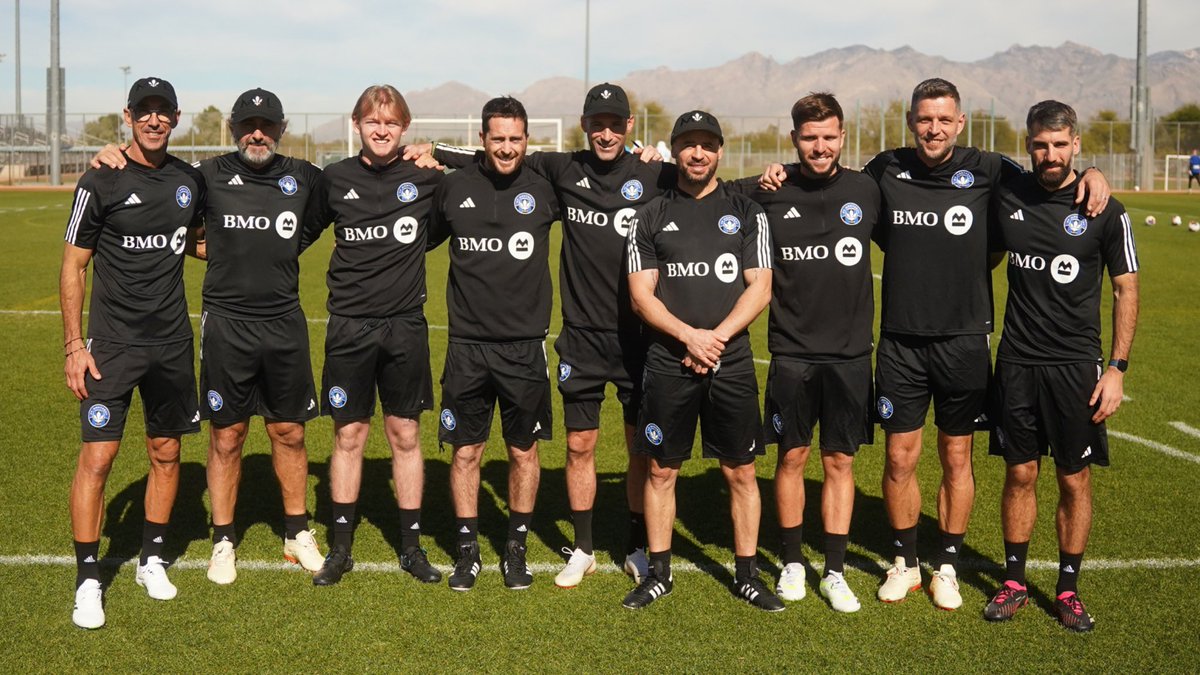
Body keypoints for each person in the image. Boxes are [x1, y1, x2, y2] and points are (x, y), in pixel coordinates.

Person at [759, 79, 1109, 610]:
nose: (934, 128)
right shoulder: (883, 169)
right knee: (900, 458)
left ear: (960, 123)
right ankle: (904, 561)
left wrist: (1093, 173)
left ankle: (945, 563)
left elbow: (1048, 178)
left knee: (956, 456)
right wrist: (779, 171)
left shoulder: (991, 169)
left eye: (944, 119)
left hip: (965, 341)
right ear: (911, 122)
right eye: (925, 119)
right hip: (900, 341)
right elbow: (829, 188)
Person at [419, 83, 674, 587]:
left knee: (637, 449)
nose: (604, 132)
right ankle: (579, 548)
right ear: (583, 125)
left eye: (614, 123)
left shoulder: (653, 173)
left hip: (639, 336)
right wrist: (429, 151)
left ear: (628, 126)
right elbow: (483, 160)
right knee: (576, 446)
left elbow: (709, 185)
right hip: (573, 335)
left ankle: (635, 542)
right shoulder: (559, 170)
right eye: (596, 123)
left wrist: (777, 177)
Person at [92, 88, 326, 583]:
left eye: (266, 124)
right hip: (225, 324)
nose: (256, 133)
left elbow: (322, 219)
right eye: (246, 125)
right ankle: (223, 539)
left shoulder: (306, 177)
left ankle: (297, 531)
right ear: (233, 130)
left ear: (281, 129)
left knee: (290, 431)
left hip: (285, 322)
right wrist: (108, 154)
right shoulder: (205, 177)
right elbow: (168, 208)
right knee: (227, 436)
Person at [983, 100, 1139, 632]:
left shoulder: (1105, 211)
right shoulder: (1008, 195)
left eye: (1059, 145)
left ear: (1076, 144)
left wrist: (1116, 367)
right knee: (1020, 472)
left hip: (1077, 367)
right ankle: (1013, 581)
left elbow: (1125, 288)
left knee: (1074, 480)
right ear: (1028, 145)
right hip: (1018, 363)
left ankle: (1068, 589)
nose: (1049, 155)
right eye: (1039, 145)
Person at [622, 110, 782, 612]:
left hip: (730, 361)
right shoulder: (649, 215)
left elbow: (761, 287)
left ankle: (748, 575)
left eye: (707, 144)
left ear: (720, 151)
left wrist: (715, 339)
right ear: (674, 150)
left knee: (741, 471)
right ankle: (659, 572)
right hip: (669, 361)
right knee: (661, 471)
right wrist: (689, 337)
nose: (697, 153)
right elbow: (640, 296)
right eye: (688, 144)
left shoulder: (746, 209)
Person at [727, 93, 880, 612]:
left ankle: (834, 571)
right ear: (794, 139)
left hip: (851, 355)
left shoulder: (867, 189)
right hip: (791, 352)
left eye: (829, 136)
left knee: (839, 460)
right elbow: (705, 193)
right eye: (810, 137)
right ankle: (792, 561)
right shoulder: (770, 191)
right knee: (791, 457)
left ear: (843, 136)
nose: (820, 146)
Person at [62, 76, 205, 628]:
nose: (153, 120)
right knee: (97, 459)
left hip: (171, 344)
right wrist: (74, 344)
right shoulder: (100, 179)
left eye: (162, 112)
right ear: (128, 116)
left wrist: (257, 242)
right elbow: (73, 265)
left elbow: (197, 241)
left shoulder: (189, 180)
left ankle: (151, 559)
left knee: (166, 453)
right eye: (143, 111)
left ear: (175, 118)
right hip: (112, 347)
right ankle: (88, 578)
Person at [298, 85, 442, 586]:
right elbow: (296, 233)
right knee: (349, 434)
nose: (382, 130)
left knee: (405, 433)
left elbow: (482, 178)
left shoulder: (426, 179)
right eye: (372, 121)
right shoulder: (335, 179)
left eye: (392, 122)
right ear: (356, 124)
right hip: (349, 327)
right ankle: (340, 549)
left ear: (405, 127)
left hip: (405, 327)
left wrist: (438, 153)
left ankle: (411, 546)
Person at [426, 96, 560, 591]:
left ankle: (515, 549)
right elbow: (422, 240)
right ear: (482, 139)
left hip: (524, 348)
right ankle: (467, 553)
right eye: (498, 138)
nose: (507, 148)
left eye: (515, 139)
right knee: (466, 453)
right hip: (467, 347)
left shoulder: (546, 189)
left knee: (523, 451)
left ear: (527, 140)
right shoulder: (454, 186)